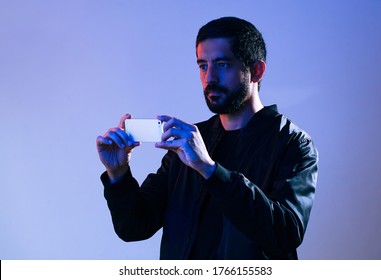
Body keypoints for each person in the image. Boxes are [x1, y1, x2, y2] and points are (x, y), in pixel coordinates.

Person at [96, 17, 319, 260]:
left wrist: (210, 170)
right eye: (203, 65)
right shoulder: (188, 141)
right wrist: (118, 175)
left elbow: (285, 235)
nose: (209, 77)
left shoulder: (293, 143)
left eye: (222, 64)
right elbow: (134, 227)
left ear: (256, 71)